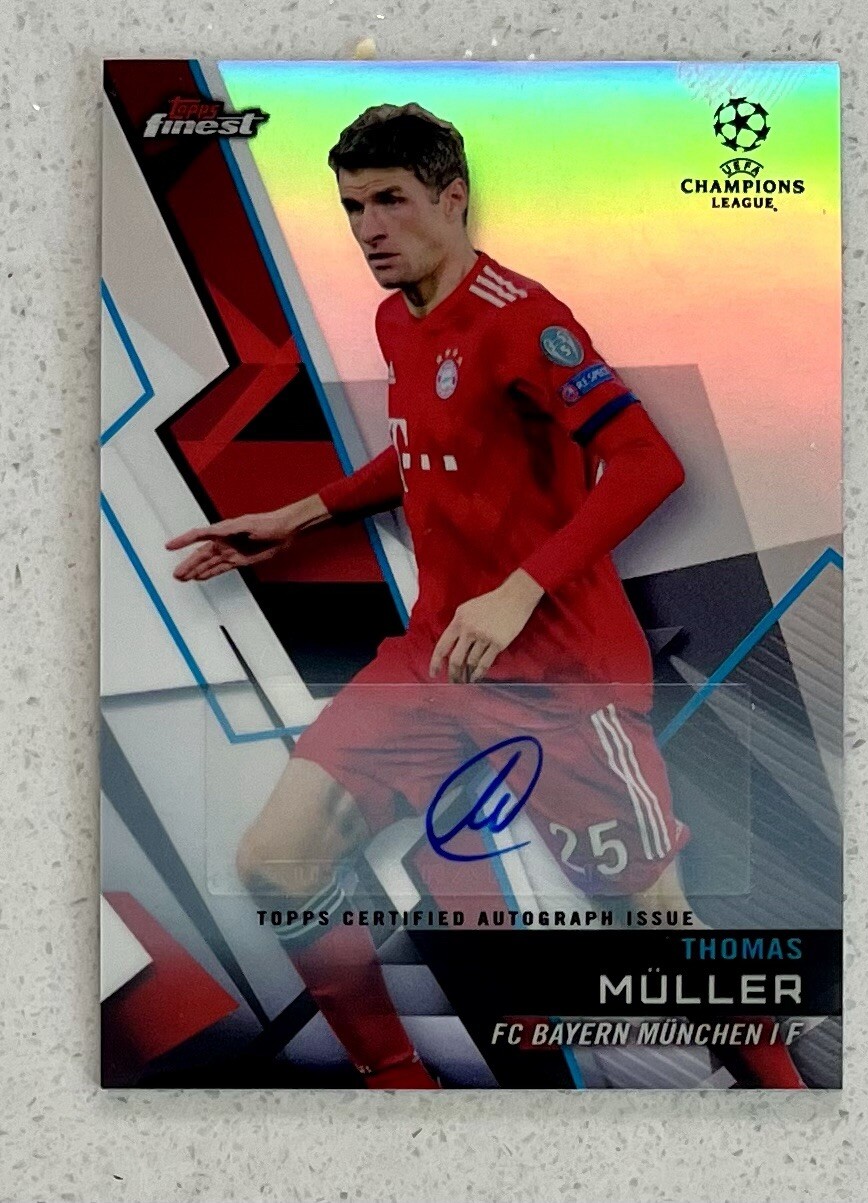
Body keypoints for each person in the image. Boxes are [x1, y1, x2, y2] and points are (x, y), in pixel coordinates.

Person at [166, 103, 803, 1089]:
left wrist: (519, 588)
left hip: (562, 679)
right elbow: (430, 452)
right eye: (353, 207)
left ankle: (789, 1108)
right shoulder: (398, 318)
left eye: (391, 201)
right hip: (435, 659)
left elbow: (647, 461)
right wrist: (303, 514)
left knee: (659, 929)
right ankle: (400, 1091)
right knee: (276, 861)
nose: (369, 229)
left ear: (453, 197)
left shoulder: (524, 320)